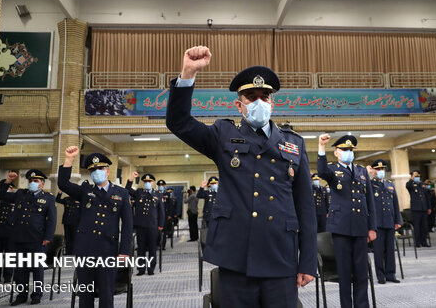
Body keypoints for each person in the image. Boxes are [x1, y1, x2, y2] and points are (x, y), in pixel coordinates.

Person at [166, 46, 316, 307]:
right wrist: (188, 73)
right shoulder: (222, 135)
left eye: (264, 96)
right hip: (236, 257)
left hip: (280, 256)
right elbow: (179, 122)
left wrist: (308, 262)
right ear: (239, 104)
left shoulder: (294, 144)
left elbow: (305, 207)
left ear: (272, 102)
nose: (259, 101)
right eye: (250, 96)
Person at [58, 148, 133, 308]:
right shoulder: (85, 191)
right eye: (92, 170)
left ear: (107, 171)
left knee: (106, 297)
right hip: (85, 251)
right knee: (85, 295)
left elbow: (127, 225)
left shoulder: (121, 193)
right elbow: (63, 184)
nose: (96, 172)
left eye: (99, 169)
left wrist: (124, 251)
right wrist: (69, 159)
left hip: (108, 252)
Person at [317, 134, 376, 308]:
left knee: (361, 272)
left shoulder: (361, 171)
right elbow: (321, 171)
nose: (348, 152)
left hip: (360, 227)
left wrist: (372, 227)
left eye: (350, 150)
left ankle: (362, 305)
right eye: (344, 150)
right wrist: (321, 146)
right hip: (341, 228)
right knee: (344, 272)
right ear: (336, 153)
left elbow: (369, 200)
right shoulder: (332, 169)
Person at [0, 169, 56, 306]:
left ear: (42, 183)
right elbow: (0, 196)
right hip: (19, 238)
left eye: (36, 181)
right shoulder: (20, 194)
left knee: (37, 269)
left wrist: (48, 237)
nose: (32, 183)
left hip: (37, 239)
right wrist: (8, 181)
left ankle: (37, 294)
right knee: (20, 270)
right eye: (30, 181)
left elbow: (52, 220)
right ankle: (21, 295)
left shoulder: (48, 198)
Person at [369, 159, 401, 284]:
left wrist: (398, 220)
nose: (381, 171)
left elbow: (395, 204)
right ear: (373, 171)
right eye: (378, 169)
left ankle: (390, 274)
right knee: (378, 251)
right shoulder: (370, 185)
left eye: (382, 169)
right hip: (377, 223)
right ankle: (380, 275)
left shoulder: (390, 185)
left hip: (390, 221)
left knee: (390, 250)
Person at [125, 172, 164, 275]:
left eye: (149, 181)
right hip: (141, 226)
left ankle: (151, 269)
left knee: (152, 248)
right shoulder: (139, 192)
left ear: (153, 183)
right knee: (141, 249)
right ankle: (141, 269)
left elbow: (161, 211)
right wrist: (131, 179)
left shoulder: (158, 194)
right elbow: (127, 190)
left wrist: (160, 225)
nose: (147, 183)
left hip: (153, 226)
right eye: (145, 181)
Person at [406, 171, 430, 248]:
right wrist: (412, 179)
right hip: (416, 209)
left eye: (418, 175)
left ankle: (424, 242)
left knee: (424, 226)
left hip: (424, 209)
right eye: (415, 175)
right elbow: (408, 186)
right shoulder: (410, 184)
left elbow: (427, 197)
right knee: (417, 226)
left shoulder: (421, 184)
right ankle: (417, 242)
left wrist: (428, 207)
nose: (417, 176)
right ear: (412, 176)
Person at [157, 180, 177, 249]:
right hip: (157, 215)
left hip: (165, 215)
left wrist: (170, 215)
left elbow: (170, 205)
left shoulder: (167, 194)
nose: (161, 186)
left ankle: (163, 245)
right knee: (157, 231)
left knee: (164, 231)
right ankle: (157, 244)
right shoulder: (156, 193)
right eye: (159, 185)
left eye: (162, 185)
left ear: (164, 186)